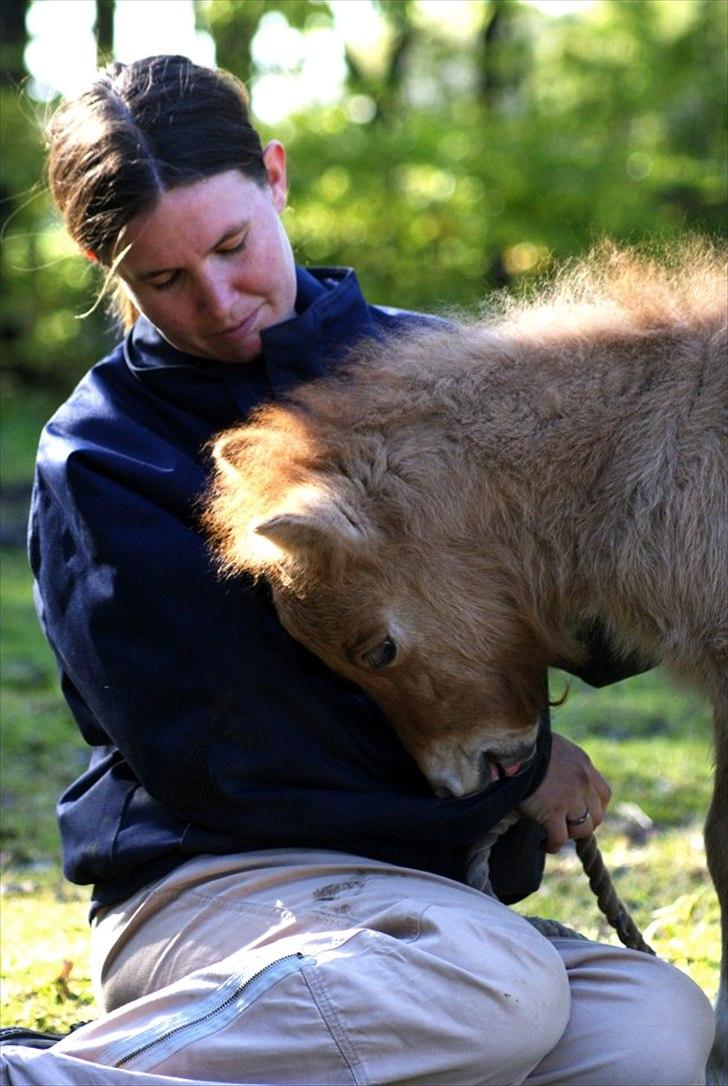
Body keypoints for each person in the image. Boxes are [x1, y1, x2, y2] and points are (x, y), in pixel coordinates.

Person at [0, 55, 714, 1086]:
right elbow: (220, 755)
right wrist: (504, 783)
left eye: (233, 245)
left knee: (649, 1026)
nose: (216, 298)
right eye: (164, 279)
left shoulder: (450, 378)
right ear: (97, 260)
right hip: (218, 886)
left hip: (430, 904)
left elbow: (576, 615)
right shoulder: (102, 456)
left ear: (276, 177)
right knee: (499, 986)